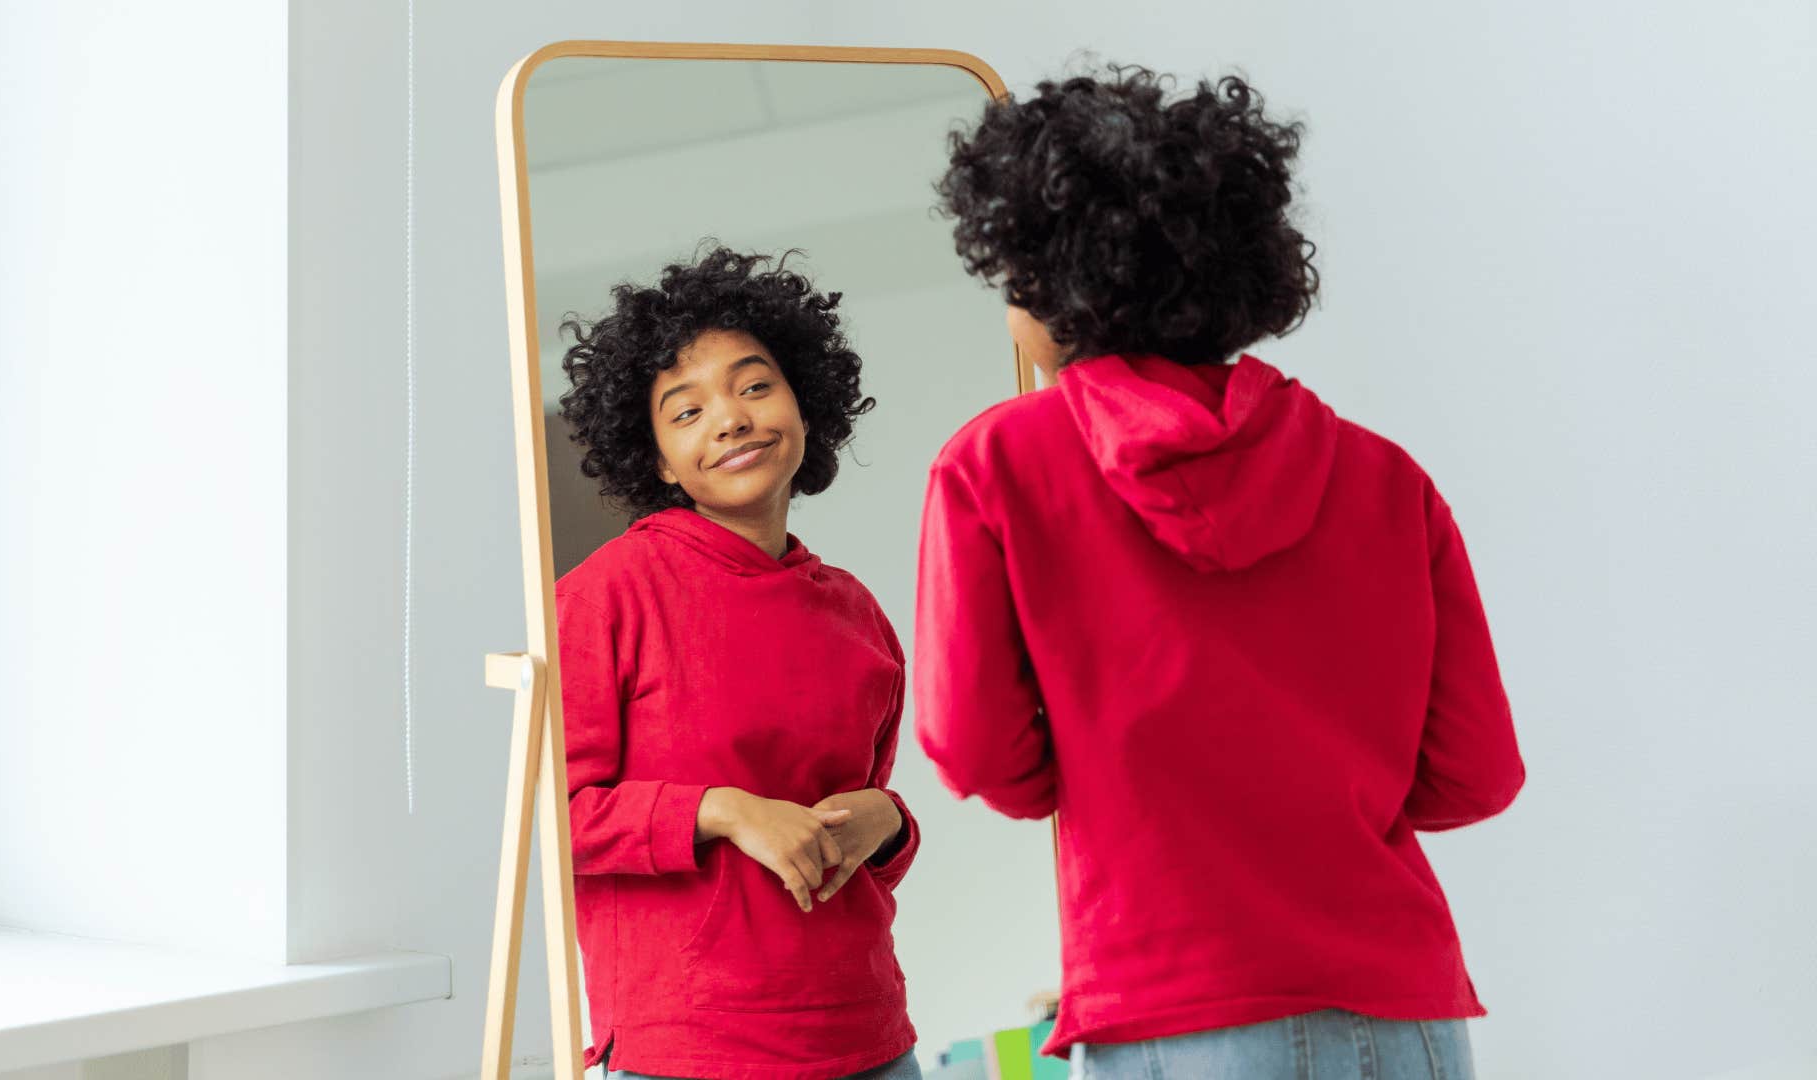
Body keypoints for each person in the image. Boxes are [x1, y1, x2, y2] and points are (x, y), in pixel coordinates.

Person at [914, 67, 1524, 1080]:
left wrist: (1092, 774)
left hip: (1177, 1006)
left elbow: (973, 745)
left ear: (1049, 283)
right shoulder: (1383, 477)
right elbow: (1477, 773)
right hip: (1406, 1010)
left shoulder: (998, 464)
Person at [554, 245, 923, 1080]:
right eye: (686, 412)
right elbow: (551, 819)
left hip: (871, 1039)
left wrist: (888, 821)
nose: (730, 419)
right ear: (654, 459)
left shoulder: (855, 611)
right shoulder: (605, 595)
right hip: (690, 1048)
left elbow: (857, 827)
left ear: (803, 402)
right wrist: (720, 810)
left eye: (755, 386)